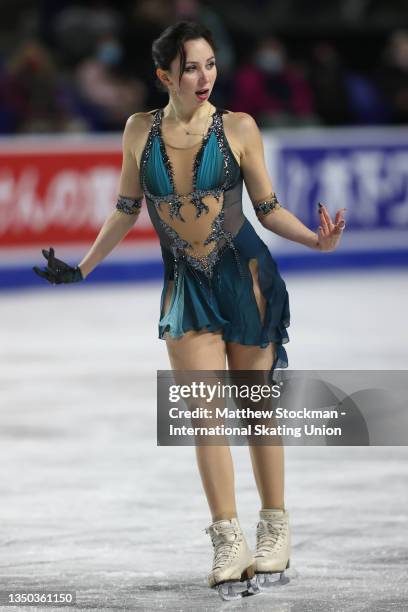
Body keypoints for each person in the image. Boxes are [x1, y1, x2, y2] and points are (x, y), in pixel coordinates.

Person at [33, 20, 346, 600]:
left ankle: (274, 526)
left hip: (245, 278)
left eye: (210, 65)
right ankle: (228, 539)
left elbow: (268, 209)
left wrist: (315, 240)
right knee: (205, 416)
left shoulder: (240, 128)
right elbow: (126, 209)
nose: (204, 78)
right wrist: (82, 268)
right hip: (186, 286)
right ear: (164, 76)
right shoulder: (137, 131)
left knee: (256, 414)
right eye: (191, 68)